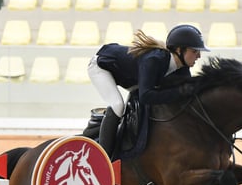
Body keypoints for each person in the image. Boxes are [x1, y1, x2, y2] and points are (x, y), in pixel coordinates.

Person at [87, 24, 209, 154]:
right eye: (195, 51)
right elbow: (146, 96)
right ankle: (105, 156)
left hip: (131, 77)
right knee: (118, 105)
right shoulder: (154, 60)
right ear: (179, 50)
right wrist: (181, 92)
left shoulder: (182, 68)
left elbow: (186, 94)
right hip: (101, 67)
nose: (199, 56)